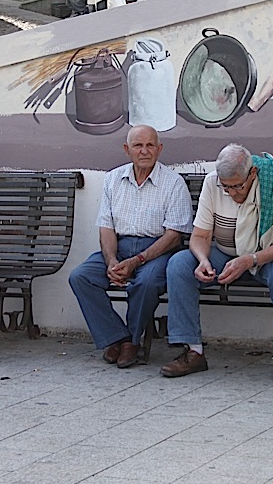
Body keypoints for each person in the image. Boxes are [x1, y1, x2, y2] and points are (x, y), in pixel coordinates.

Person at [161, 144, 273, 384]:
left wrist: (251, 259)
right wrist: (202, 260)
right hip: (227, 253)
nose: (231, 193)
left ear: (251, 174)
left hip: (270, 255)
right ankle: (193, 350)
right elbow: (200, 237)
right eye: (226, 186)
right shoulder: (213, 183)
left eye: (237, 186)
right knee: (179, 265)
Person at [69, 125, 193, 367]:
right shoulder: (113, 179)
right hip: (121, 247)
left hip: (158, 250)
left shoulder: (173, 183)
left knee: (145, 283)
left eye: (150, 145)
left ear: (160, 149)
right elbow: (106, 227)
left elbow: (174, 236)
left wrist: (138, 260)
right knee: (81, 276)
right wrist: (112, 260)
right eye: (138, 145)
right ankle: (118, 337)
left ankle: (132, 341)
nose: (144, 151)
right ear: (127, 150)